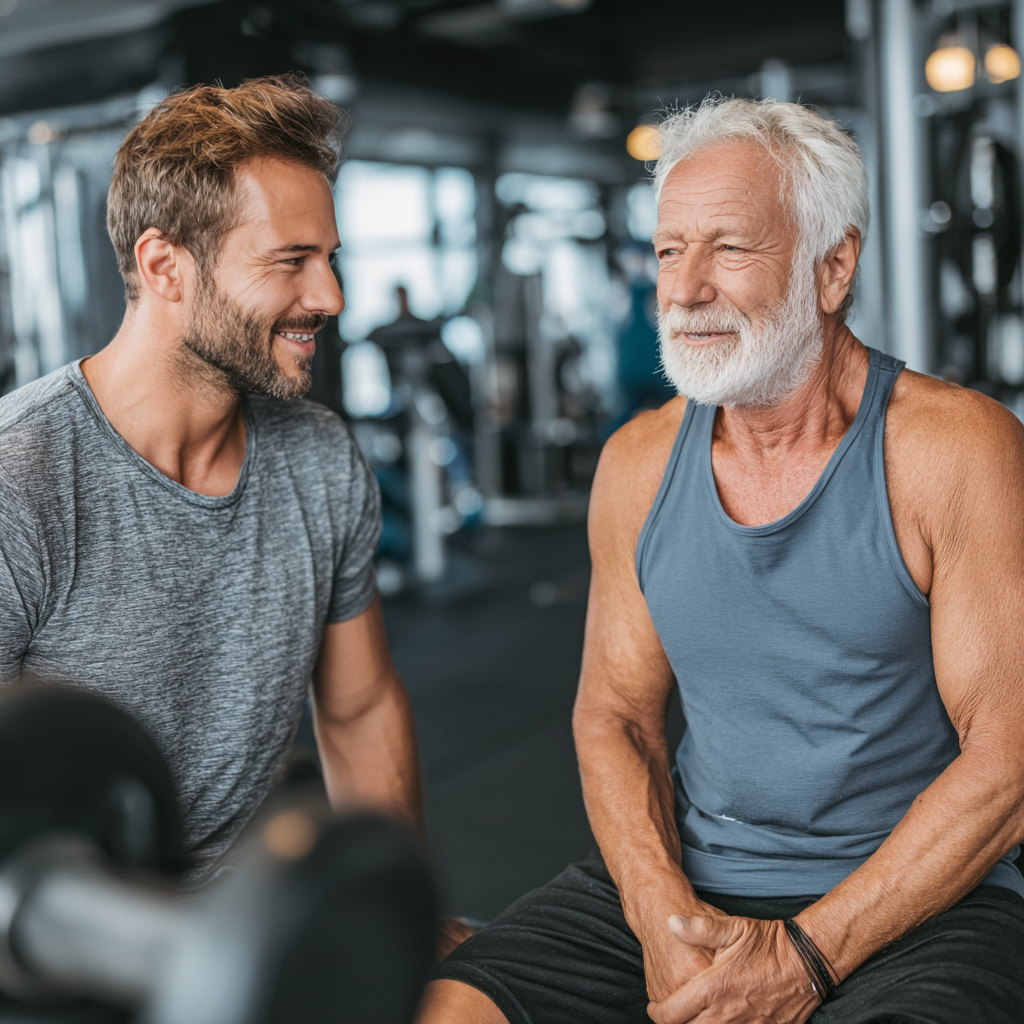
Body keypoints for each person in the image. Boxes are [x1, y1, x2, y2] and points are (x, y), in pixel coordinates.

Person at [419, 97, 1024, 1024]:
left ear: (833, 269)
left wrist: (805, 958)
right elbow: (616, 716)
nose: (685, 287)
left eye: (728, 249)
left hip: (920, 902)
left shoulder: (955, 450)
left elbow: (1010, 757)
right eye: (668, 250)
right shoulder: (636, 464)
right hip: (695, 882)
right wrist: (662, 917)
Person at [0, 77, 430, 896]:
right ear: (166, 266)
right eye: (291, 262)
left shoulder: (319, 459)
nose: (331, 298)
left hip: (245, 913)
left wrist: (399, 922)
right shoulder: (19, 486)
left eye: (330, 260)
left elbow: (360, 707)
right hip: (59, 942)